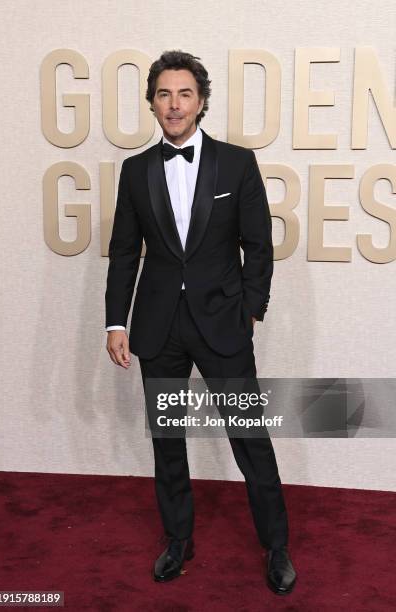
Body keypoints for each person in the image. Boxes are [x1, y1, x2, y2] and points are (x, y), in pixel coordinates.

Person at [105, 50, 297, 595]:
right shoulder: (136, 171)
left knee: (250, 439)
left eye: (184, 93)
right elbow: (124, 252)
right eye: (163, 94)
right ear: (152, 104)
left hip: (223, 324)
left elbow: (258, 244)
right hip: (158, 326)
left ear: (201, 101)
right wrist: (114, 322)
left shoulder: (237, 163)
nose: (174, 104)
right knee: (168, 438)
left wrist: (252, 307)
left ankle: (276, 545)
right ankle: (178, 538)